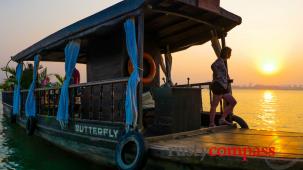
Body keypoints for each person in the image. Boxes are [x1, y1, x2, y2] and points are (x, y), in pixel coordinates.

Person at [209, 46, 237, 127]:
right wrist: (217, 74)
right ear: (226, 53)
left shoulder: (223, 62)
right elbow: (213, 66)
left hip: (223, 87)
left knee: (233, 102)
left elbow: (221, 73)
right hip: (218, 86)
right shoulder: (220, 61)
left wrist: (227, 79)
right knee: (215, 105)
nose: (230, 55)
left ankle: (222, 119)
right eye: (230, 53)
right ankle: (211, 123)